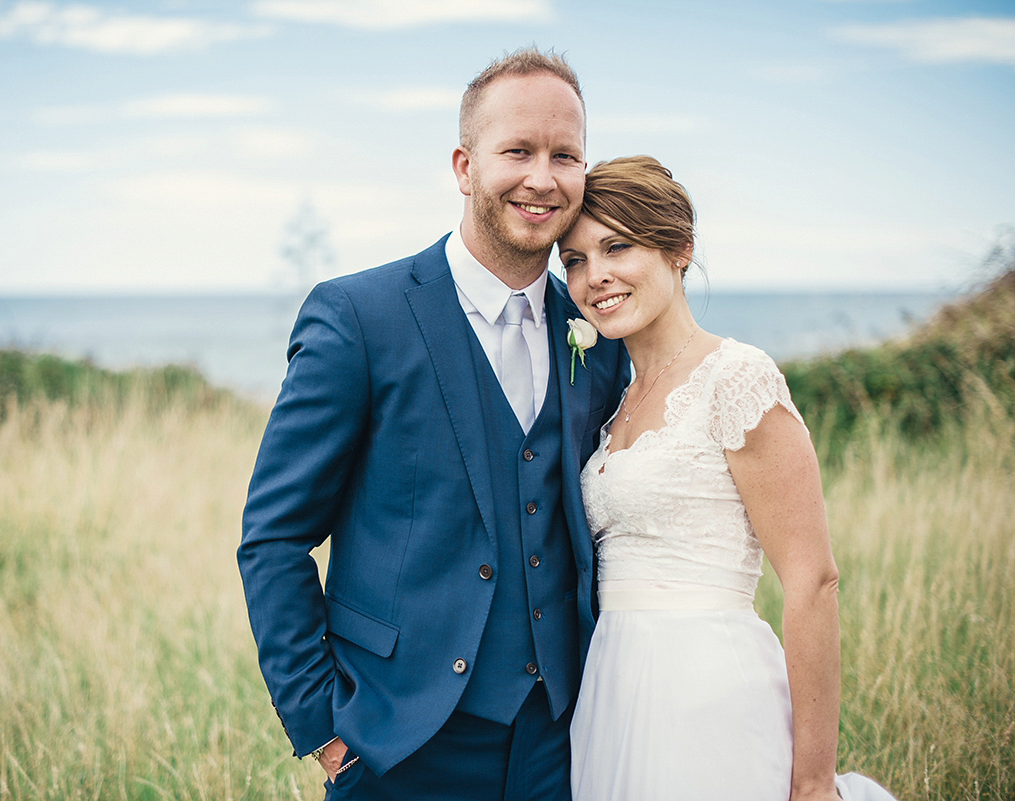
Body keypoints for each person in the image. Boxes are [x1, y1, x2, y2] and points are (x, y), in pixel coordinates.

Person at [238, 48, 630, 800]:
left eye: (565, 155)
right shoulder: (359, 316)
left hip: (559, 741)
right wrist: (321, 724)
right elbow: (274, 535)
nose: (542, 177)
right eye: (517, 150)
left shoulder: (596, 330)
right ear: (464, 165)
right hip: (398, 744)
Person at [559, 156, 897, 801]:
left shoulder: (737, 378)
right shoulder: (615, 399)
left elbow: (813, 581)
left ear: (679, 249)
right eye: (573, 260)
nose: (593, 276)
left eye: (615, 247)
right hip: (612, 691)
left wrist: (813, 781)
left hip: (708, 691)